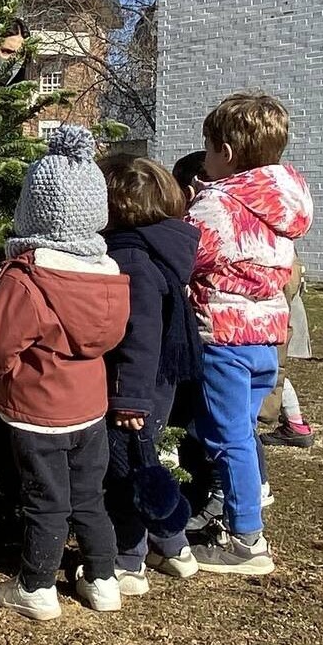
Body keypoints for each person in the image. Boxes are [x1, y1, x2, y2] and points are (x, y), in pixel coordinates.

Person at [0, 126, 130, 621]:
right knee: (88, 496)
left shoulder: (29, 277)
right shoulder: (108, 274)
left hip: (37, 412)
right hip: (90, 407)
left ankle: (36, 586)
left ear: (32, 210)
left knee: (46, 499)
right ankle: (102, 578)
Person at [183, 92, 313, 575]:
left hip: (224, 335)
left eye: (209, 149)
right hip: (267, 334)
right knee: (242, 430)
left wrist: (194, 204)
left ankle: (246, 541)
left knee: (228, 436)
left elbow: (187, 254)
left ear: (227, 154)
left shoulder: (217, 204)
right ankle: (237, 513)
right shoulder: (285, 199)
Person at [97, 155, 203, 592]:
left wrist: (130, 399)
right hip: (150, 385)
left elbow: (140, 336)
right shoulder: (160, 249)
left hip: (135, 388)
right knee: (143, 461)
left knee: (123, 471)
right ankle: (175, 547)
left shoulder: (132, 259)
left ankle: (129, 559)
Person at [260, 259, 315, 448]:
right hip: (283, 311)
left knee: (271, 370)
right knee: (273, 370)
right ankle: (295, 424)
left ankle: (295, 425)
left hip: (276, 314)